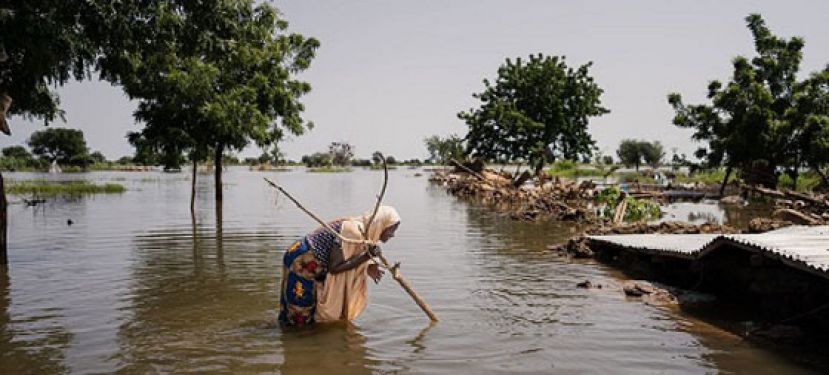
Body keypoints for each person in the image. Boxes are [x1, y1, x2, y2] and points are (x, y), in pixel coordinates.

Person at [278, 205, 401, 326]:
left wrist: (368, 265)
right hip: (302, 261)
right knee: (299, 311)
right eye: (392, 229)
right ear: (381, 225)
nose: (393, 234)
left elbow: (351, 254)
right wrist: (366, 257)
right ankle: (293, 338)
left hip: (312, 262)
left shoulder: (364, 234)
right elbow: (335, 267)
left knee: (305, 309)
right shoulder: (353, 231)